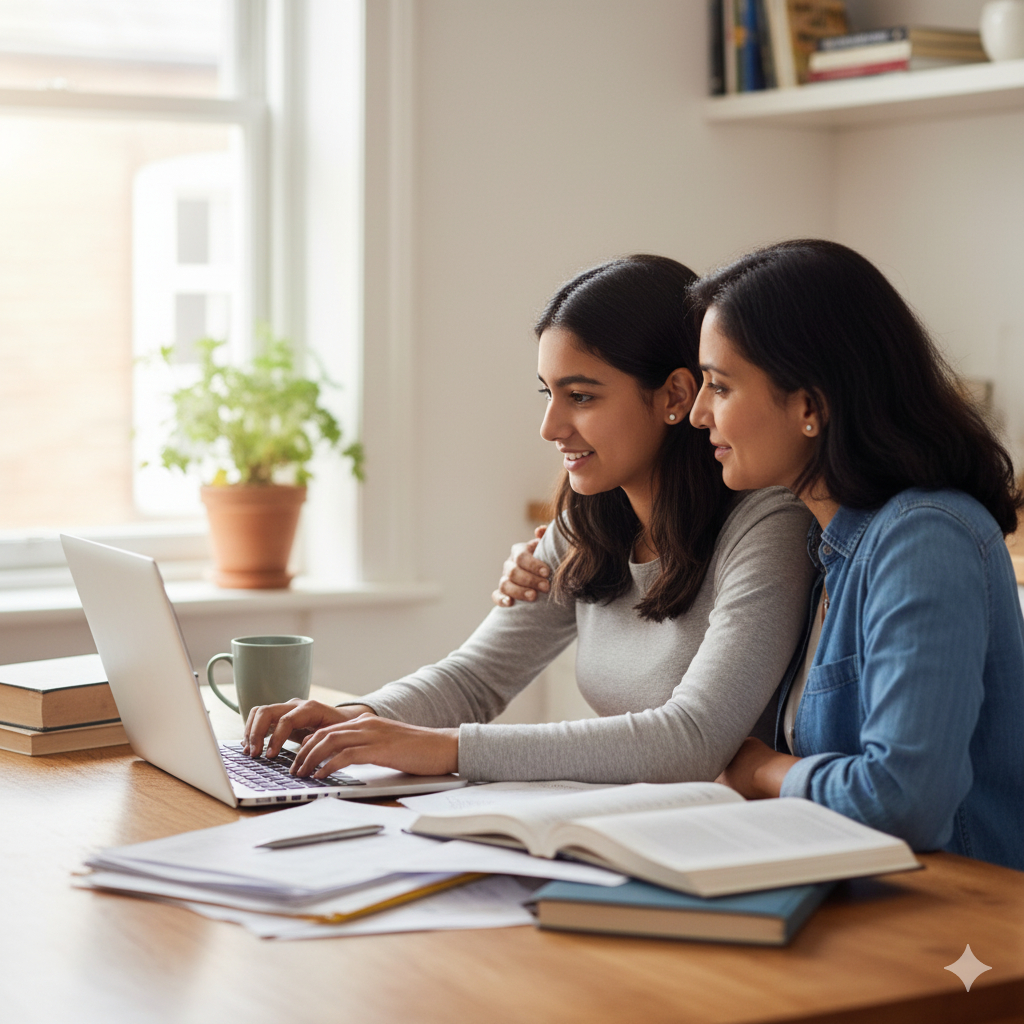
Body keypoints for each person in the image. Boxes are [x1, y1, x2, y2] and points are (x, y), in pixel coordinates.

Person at [243, 255, 816, 784]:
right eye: (548, 392)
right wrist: (355, 717)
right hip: (633, 822)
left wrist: (445, 748)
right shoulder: (587, 522)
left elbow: (692, 739)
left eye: (582, 396)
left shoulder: (768, 524)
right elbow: (476, 678)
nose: (550, 426)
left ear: (674, 394)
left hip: (733, 841)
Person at [680, 238, 1024, 870]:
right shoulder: (827, 539)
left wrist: (766, 772)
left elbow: (904, 801)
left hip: (961, 924)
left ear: (810, 405)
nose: (700, 413)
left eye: (720, 386)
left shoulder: (925, 538)